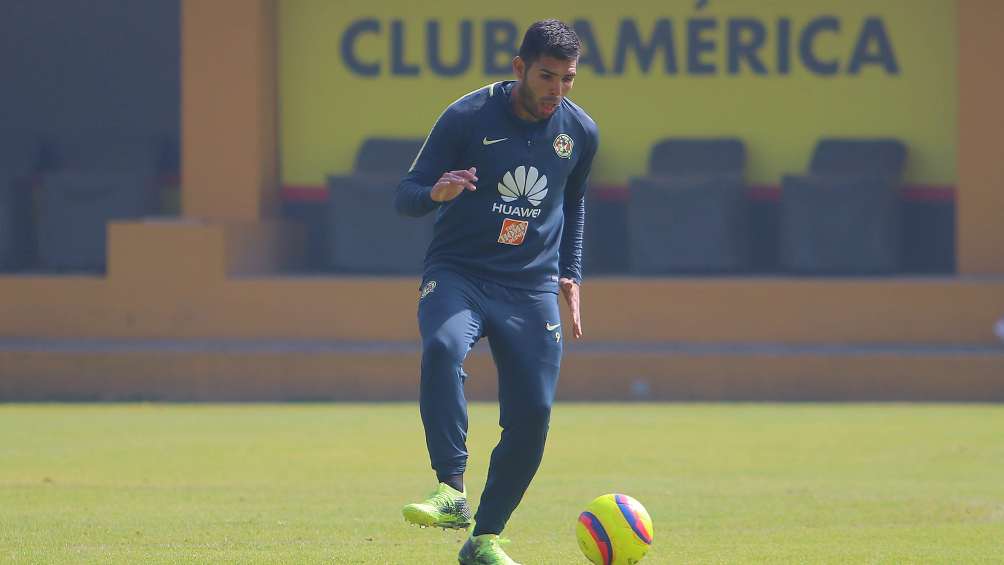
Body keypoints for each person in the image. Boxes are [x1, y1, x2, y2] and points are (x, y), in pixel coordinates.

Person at [394, 19, 598, 565]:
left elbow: (574, 202)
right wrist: (436, 194)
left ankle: (484, 538)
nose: (558, 89)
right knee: (441, 348)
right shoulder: (466, 116)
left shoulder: (580, 132)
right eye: (547, 76)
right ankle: (451, 491)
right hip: (459, 271)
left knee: (533, 414)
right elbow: (406, 195)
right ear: (519, 69)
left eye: (568, 79)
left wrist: (570, 273)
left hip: (530, 285)